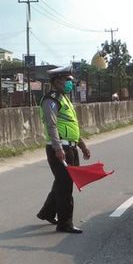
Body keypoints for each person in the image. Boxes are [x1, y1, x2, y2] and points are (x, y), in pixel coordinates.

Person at [36, 65, 91, 233]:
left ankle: (47, 212)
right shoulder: (50, 100)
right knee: (65, 186)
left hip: (71, 147)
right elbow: (52, 126)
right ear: (58, 81)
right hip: (60, 149)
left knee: (62, 182)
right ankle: (65, 223)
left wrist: (82, 146)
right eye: (68, 80)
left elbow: (71, 125)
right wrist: (58, 148)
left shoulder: (64, 98)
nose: (70, 84)